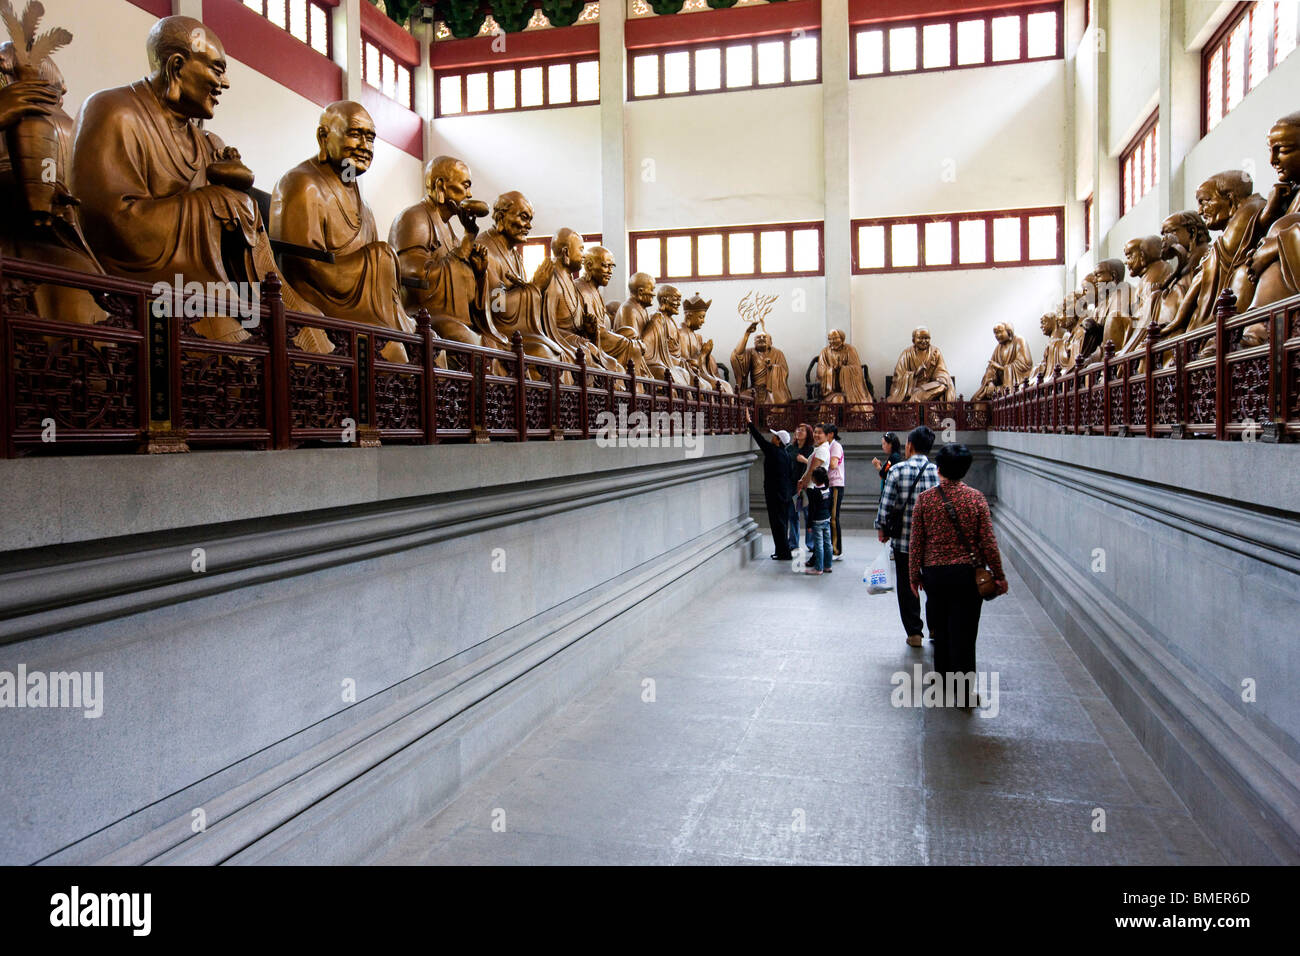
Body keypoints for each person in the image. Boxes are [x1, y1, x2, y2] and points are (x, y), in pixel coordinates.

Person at [908, 444, 1008, 707]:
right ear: (965, 469)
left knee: (940, 630)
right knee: (965, 633)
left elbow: (916, 541)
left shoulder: (926, 499)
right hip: (966, 576)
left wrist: (913, 575)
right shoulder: (975, 498)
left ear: (938, 468)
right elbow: (988, 542)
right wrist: (998, 574)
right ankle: (964, 693)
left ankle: (941, 682)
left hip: (935, 575)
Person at [874, 425, 939, 647]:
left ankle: (914, 633)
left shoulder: (897, 470)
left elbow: (886, 503)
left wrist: (881, 528)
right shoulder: (937, 471)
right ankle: (935, 628)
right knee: (932, 584)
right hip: (932, 542)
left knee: (906, 584)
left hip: (904, 541)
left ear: (909, 445)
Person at [744, 409, 795, 561]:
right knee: (782, 523)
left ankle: (784, 553)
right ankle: (781, 551)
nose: (772, 438)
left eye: (774, 436)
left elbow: (759, 439)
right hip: (785, 494)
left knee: (777, 524)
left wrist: (749, 423)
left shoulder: (773, 451)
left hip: (776, 494)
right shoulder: (786, 454)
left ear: (778, 440)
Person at [787, 423, 815, 556]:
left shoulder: (810, 450)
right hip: (792, 486)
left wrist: (804, 460)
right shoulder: (790, 448)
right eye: (798, 429)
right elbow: (790, 459)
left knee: (808, 515)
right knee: (793, 515)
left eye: (802, 430)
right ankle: (793, 543)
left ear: (808, 434)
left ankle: (811, 544)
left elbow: (812, 466)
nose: (799, 431)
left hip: (805, 488)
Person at [804, 467, 833, 576]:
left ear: (814, 479)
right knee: (827, 543)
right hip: (826, 518)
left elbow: (812, 509)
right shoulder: (828, 489)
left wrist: (809, 524)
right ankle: (828, 565)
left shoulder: (814, 492)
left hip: (817, 520)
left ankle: (818, 568)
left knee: (819, 545)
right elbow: (831, 504)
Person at [825, 424, 846, 561]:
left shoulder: (835, 446)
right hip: (830, 485)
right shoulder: (829, 446)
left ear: (831, 434)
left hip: (835, 485)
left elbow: (833, 464)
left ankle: (836, 550)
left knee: (833, 518)